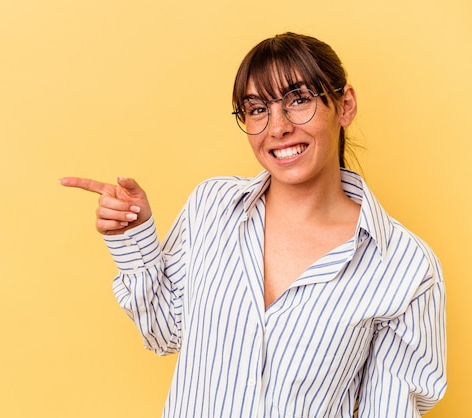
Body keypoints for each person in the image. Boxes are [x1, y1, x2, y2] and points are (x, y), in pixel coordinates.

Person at [60, 32, 447, 417]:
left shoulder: (405, 266)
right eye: (258, 108)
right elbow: (164, 333)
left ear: (344, 105)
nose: (277, 127)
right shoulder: (211, 208)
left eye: (299, 100)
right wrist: (133, 237)